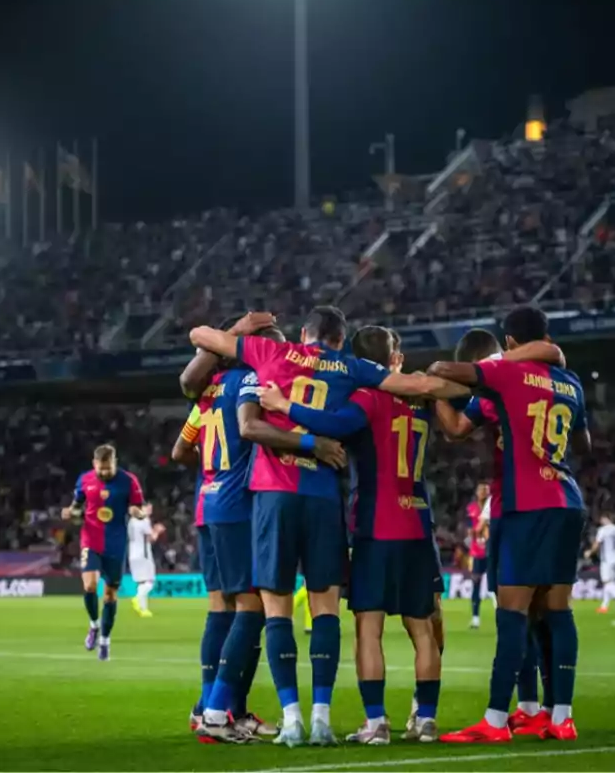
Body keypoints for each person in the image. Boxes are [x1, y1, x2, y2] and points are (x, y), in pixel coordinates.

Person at [189, 305, 466, 747]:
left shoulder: (269, 352)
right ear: (341, 339)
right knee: (326, 611)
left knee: (276, 610)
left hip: (274, 494)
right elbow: (419, 385)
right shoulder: (352, 369)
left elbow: (200, 333)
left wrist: (238, 328)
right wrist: (479, 381)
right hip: (323, 498)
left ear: (304, 333)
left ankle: (291, 718)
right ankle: (322, 717)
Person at [260, 325, 443, 745]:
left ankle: (376, 723)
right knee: (422, 629)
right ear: (393, 358)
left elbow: (335, 425)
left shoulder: (367, 397)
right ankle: (427, 719)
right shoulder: (420, 402)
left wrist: (284, 404)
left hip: (375, 526)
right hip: (417, 523)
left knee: (369, 628)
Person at [176, 313, 344, 743]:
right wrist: (311, 443)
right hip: (239, 507)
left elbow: (180, 450)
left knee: (221, 610)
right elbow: (254, 429)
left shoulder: (207, 393)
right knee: (251, 611)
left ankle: (214, 707)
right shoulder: (252, 382)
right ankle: (216, 711)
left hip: (207, 504)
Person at [427, 306, 588, 743]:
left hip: (525, 503)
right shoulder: (570, 382)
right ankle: (560, 717)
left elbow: (447, 384)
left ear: (512, 344)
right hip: (568, 500)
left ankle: (496, 722)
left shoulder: (505, 374)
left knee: (513, 615)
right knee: (557, 613)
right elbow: (583, 441)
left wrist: (436, 387)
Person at [432, 327, 548, 738]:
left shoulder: (497, 383)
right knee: (536, 614)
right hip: (551, 501)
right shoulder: (540, 380)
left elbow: (456, 429)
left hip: (513, 507)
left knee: (513, 614)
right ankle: (536, 707)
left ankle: (505, 714)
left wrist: (438, 390)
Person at [61, 444, 147, 661]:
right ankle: (93, 625)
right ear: (94, 464)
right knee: (89, 585)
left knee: (110, 594)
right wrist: (71, 511)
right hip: (90, 539)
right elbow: (77, 504)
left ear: (115, 463)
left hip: (116, 544)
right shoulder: (85, 480)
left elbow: (138, 506)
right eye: (101, 469)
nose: (104, 472)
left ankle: (105, 641)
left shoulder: (129, 481)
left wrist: (136, 512)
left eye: (108, 469)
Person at [127, 504, 164, 617]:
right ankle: (137, 598)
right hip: (144, 554)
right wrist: (157, 531)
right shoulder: (144, 520)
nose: (150, 510)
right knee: (150, 582)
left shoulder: (131, 521)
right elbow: (150, 538)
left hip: (132, 554)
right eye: (148, 507)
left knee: (141, 582)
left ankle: (143, 610)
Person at [467, 482, 492, 628]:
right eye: (481, 490)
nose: (483, 493)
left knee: (496, 585)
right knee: (475, 584)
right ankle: (475, 617)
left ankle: (500, 614)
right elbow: (469, 530)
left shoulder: (493, 507)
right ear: (477, 492)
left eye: (486, 490)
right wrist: (471, 535)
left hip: (491, 551)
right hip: (477, 552)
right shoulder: (471, 509)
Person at [587, 515, 615, 614]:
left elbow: (597, 544)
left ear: (607, 519)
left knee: (607, 582)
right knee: (610, 583)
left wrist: (590, 552)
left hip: (607, 559)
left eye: (602, 518)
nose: (601, 520)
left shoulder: (603, 530)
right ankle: (604, 606)